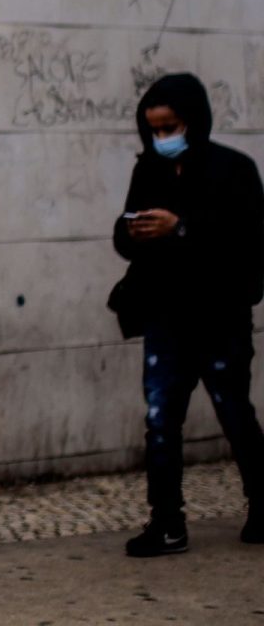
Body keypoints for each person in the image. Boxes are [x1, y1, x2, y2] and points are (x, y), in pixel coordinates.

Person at [111, 72, 264, 557]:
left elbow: (246, 244)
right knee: (161, 420)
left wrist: (181, 231)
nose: (163, 138)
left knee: (234, 412)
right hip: (165, 315)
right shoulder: (149, 170)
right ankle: (167, 521)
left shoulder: (234, 169)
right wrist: (132, 231)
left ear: (193, 121)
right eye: (154, 129)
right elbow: (125, 233)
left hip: (221, 316)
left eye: (170, 126)